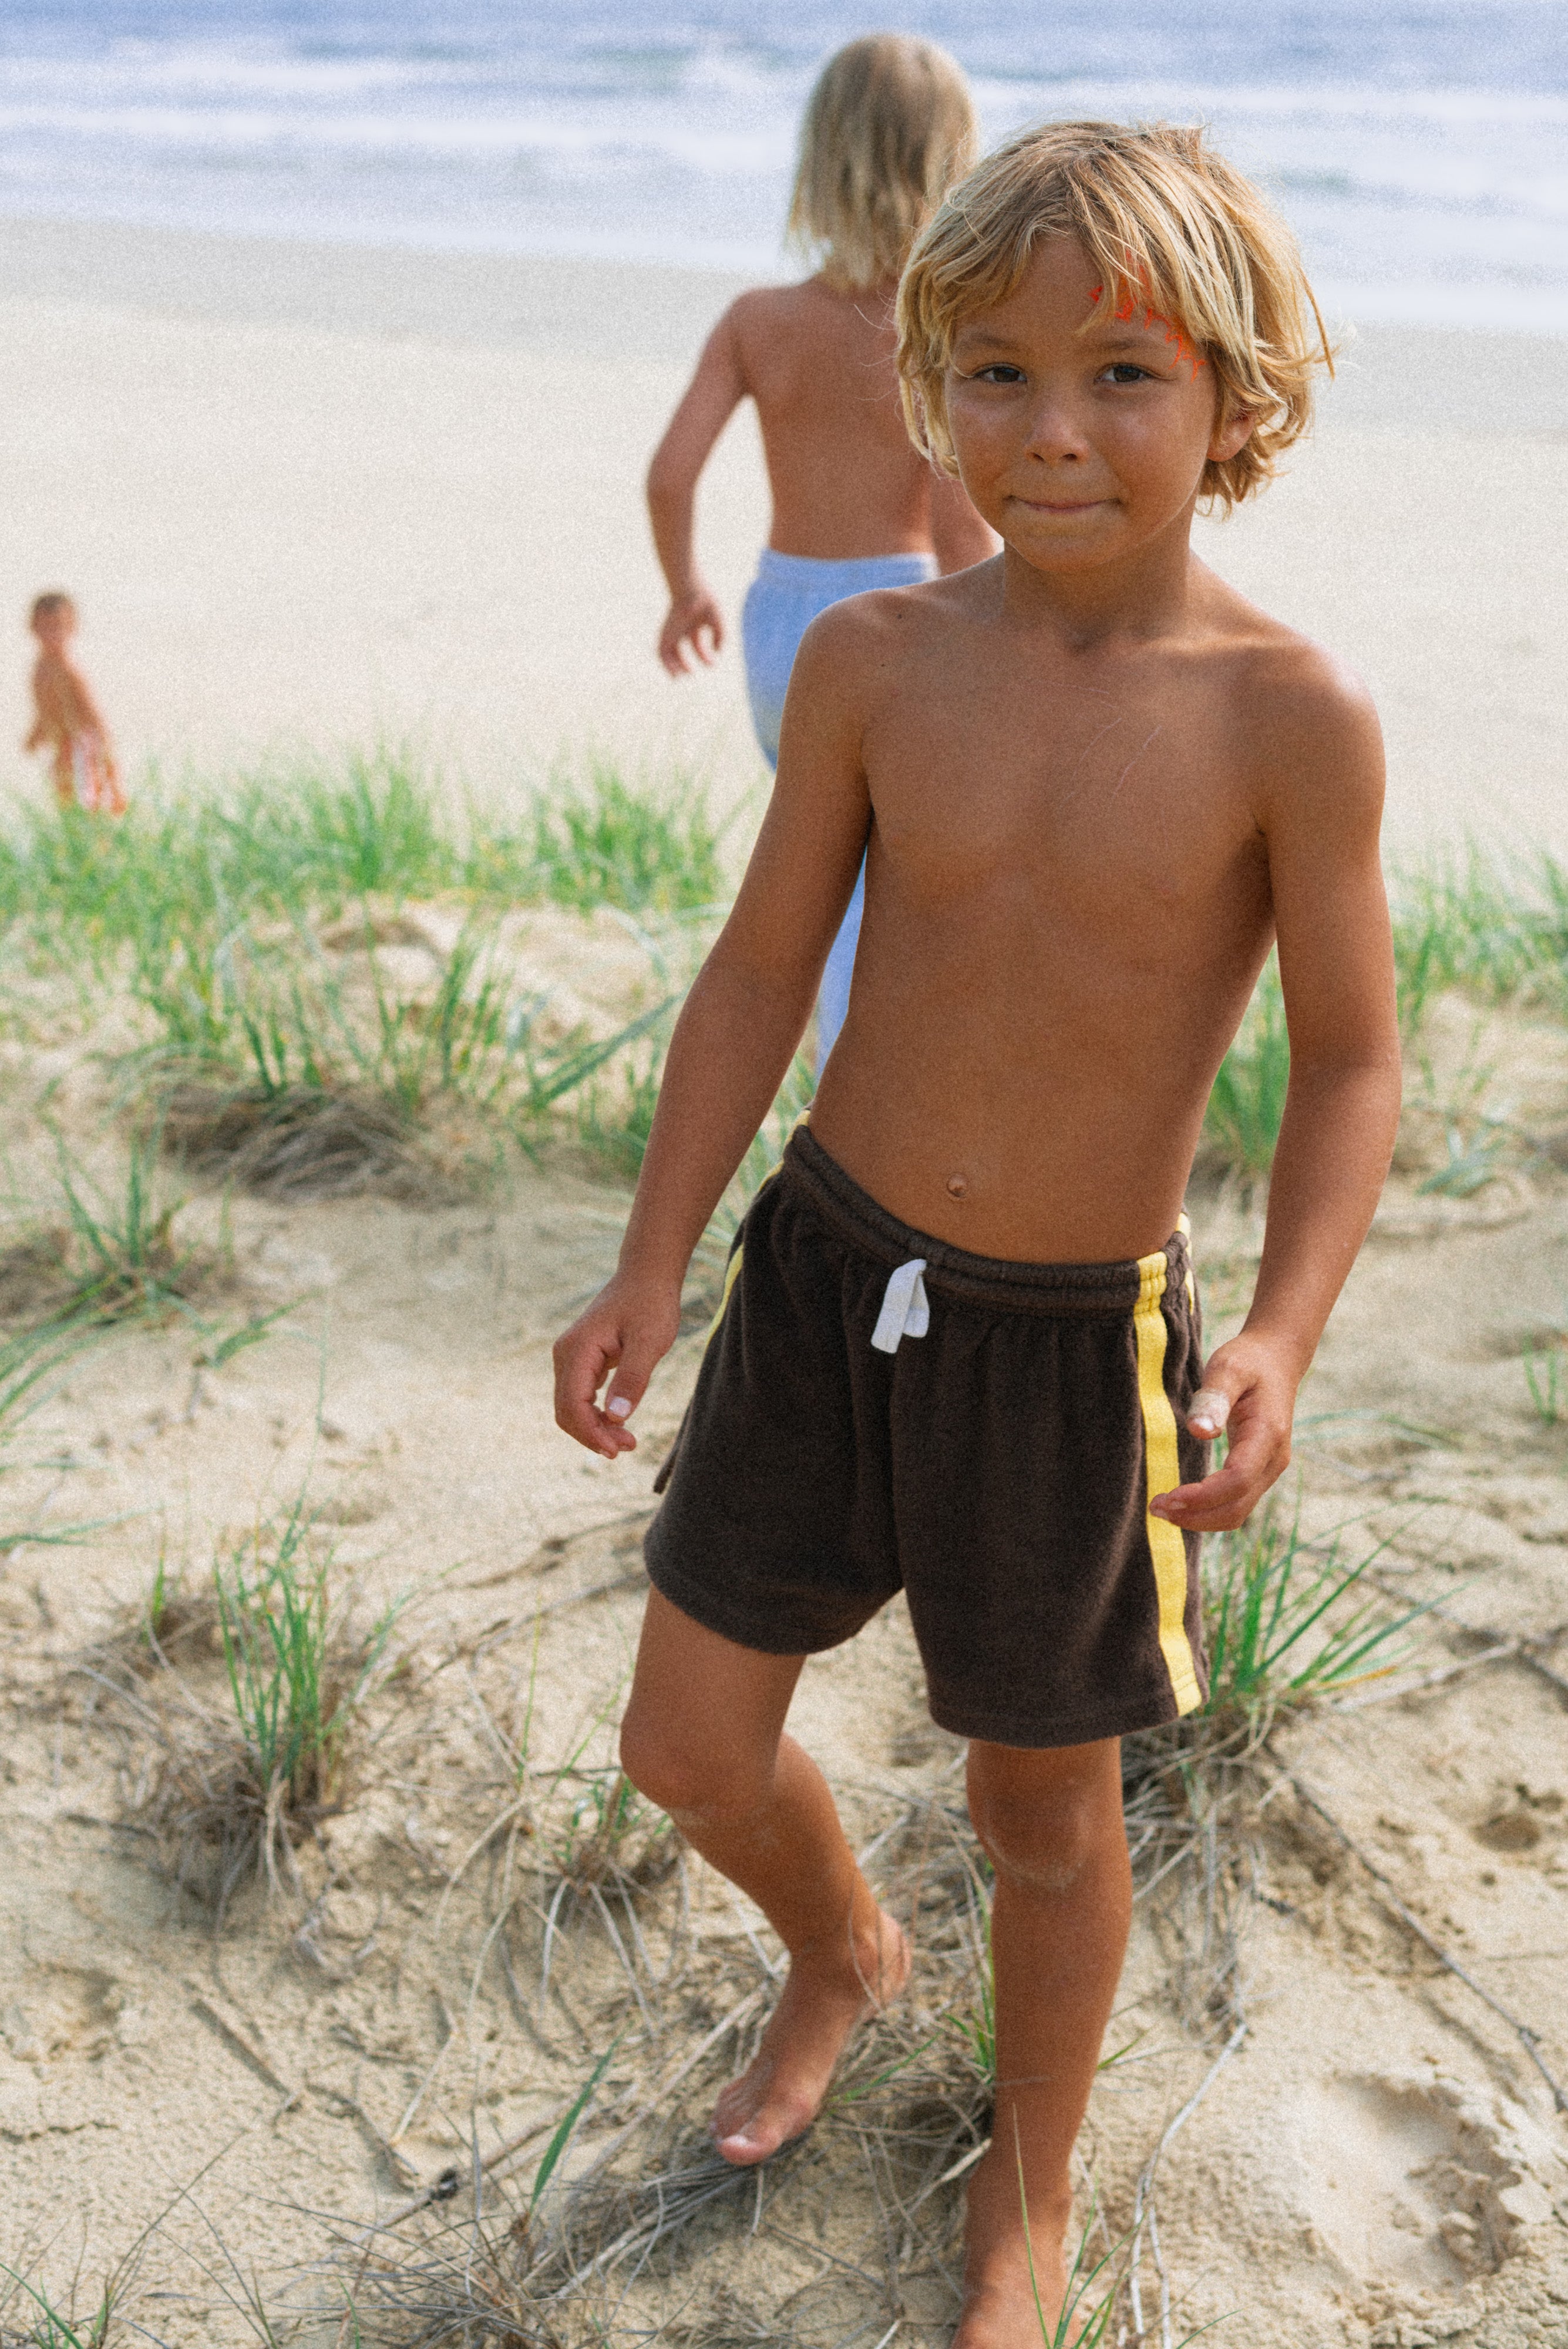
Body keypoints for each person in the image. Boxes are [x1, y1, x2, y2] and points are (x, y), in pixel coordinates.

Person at [557, 119, 1401, 2345]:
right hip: (826, 1273)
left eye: (1121, 374)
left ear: (1236, 394)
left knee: (1044, 1804)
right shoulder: (874, 666)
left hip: (1071, 1342)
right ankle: (840, 1945)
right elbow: (756, 974)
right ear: (929, 381)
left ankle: (1020, 2185)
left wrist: (1285, 1336)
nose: (1050, 430)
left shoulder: (1283, 718)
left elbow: (1345, 1066)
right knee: (688, 1744)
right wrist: (653, 1257)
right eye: (996, 371)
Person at [646, 33, 997, 1069]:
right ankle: (851, 1107)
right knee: (881, 887)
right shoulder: (934, 330)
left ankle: (824, 1080)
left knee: (819, 870)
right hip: (899, 619)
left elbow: (669, 475)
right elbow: (954, 524)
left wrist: (684, 593)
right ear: (951, 165)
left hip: (775, 618)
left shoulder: (759, 321)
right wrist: (1003, 641)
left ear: (820, 157)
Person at [24, 592, 125, 815]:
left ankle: (96, 837)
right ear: (33, 628)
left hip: (80, 744)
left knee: (89, 798)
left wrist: (105, 748)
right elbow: (46, 708)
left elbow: (90, 711)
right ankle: (72, 837)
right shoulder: (40, 668)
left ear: (72, 628)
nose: (53, 635)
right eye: (46, 628)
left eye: (60, 628)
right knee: (64, 794)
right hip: (61, 747)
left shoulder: (68, 671)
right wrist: (36, 733)